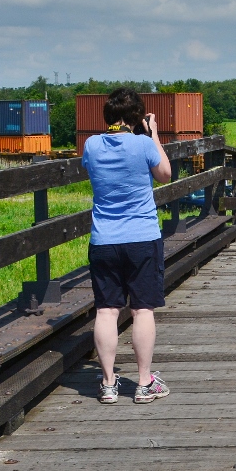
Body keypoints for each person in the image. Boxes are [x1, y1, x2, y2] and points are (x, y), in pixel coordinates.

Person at [82, 88, 173, 404]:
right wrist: (154, 135)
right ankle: (145, 383)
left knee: (106, 310)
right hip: (141, 238)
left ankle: (108, 384)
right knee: (141, 308)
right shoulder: (143, 144)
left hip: (104, 240)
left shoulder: (91, 145)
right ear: (138, 117)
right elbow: (164, 174)